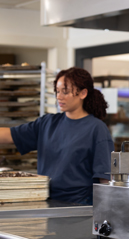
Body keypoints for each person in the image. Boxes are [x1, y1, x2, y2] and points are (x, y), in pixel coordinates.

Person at [0, 67, 114, 205]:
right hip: (46, 203)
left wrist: (105, 213)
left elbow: (105, 179)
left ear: (83, 93)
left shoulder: (96, 129)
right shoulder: (47, 123)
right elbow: (9, 135)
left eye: (65, 92)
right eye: (57, 91)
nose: (59, 96)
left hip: (80, 207)